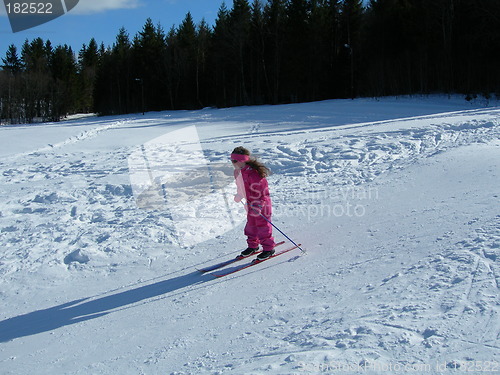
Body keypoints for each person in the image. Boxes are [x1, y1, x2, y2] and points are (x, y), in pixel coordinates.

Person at [231, 146, 276, 260]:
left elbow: (262, 192)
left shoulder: (254, 174)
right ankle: (253, 246)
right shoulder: (237, 172)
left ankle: (269, 248)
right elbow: (241, 187)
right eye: (231, 160)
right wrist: (239, 195)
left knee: (263, 226)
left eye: (234, 161)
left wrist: (258, 204)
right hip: (250, 204)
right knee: (251, 226)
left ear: (242, 160)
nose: (232, 163)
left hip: (262, 205)